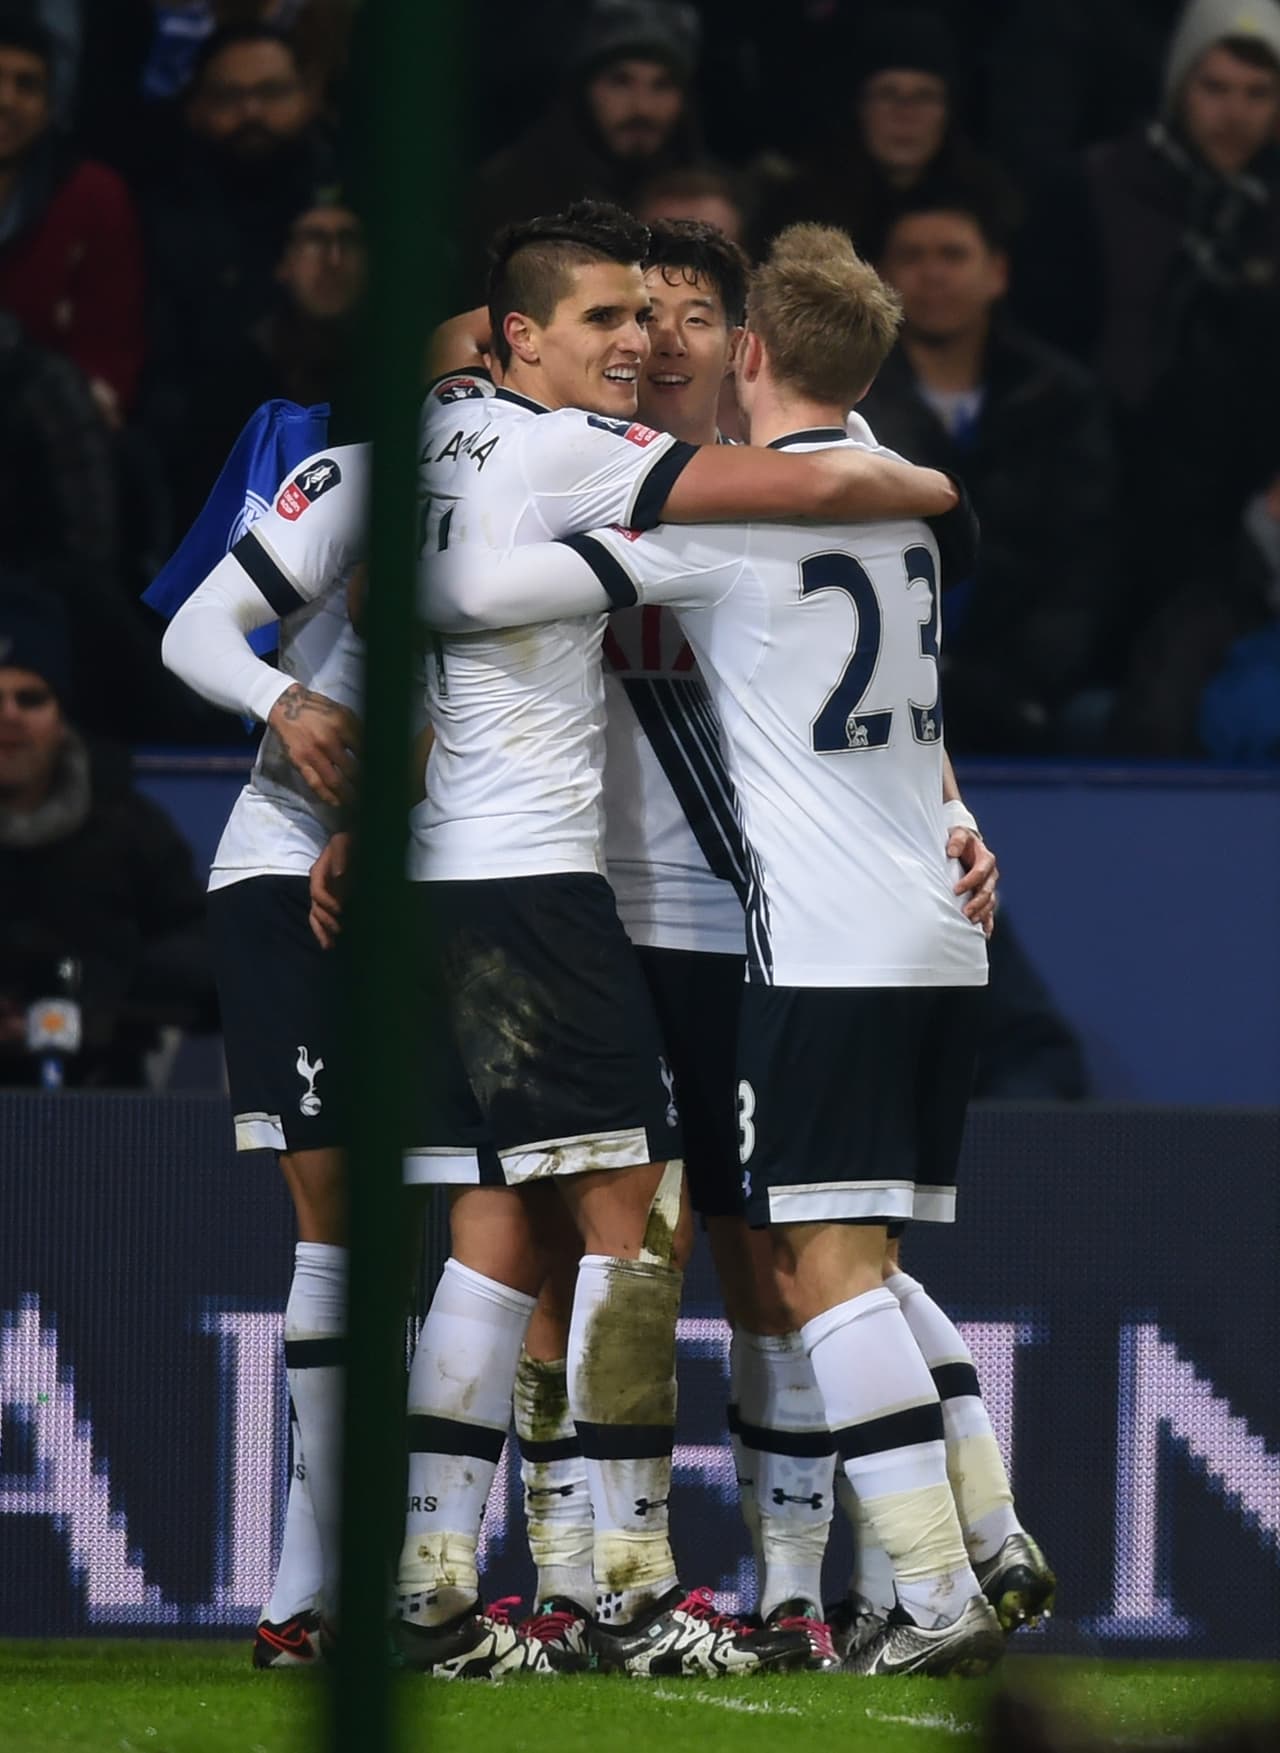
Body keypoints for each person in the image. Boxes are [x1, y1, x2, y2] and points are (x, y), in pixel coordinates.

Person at [423, 222, 1061, 1676]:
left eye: (696, 318)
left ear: (746, 348)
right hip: (885, 926)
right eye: (636, 315)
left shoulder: (705, 522)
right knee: (843, 1253)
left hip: (792, 930)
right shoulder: (879, 493)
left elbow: (468, 601)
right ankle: (962, 1531)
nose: (662, 341)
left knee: (811, 1263)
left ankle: (874, 1584)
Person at [161, 442, 367, 1665]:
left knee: (501, 1232)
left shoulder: (599, 481)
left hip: (482, 875)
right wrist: (283, 700)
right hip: (292, 861)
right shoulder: (353, 477)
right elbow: (195, 632)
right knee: (344, 1226)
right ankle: (312, 1590)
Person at [1013, 0, 1280, 752]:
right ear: (1178, 87)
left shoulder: (1271, 214)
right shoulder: (1093, 190)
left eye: (1259, 95)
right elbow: (1046, 349)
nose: (1235, 114)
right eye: (1216, 88)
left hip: (1242, 521)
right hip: (1103, 496)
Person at [862, 187, 1117, 754]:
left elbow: (1082, 565)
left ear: (997, 272)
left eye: (952, 255)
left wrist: (1023, 681)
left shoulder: (1061, 400)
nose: (932, 274)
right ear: (879, 278)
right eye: (912, 256)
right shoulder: (843, 402)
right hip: (872, 682)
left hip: (1025, 688)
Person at [0, 580, 215, 1089]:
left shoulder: (127, 824)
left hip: (104, 1113)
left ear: (61, 716)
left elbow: (209, 962)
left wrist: (91, 998)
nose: (8, 716)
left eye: (30, 698)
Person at [140, 22, 336, 526]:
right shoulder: (160, 212)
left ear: (310, 94)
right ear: (196, 106)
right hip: (202, 462)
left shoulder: (354, 198)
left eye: (271, 92)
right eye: (230, 96)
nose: (252, 113)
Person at [461, 1, 709, 293]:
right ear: (585, 91)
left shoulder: (716, 201)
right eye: (620, 82)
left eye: (662, 85)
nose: (642, 107)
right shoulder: (509, 195)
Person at [750, 6, 1017, 266]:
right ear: (859, 108)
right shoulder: (800, 216)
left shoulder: (990, 207)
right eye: (888, 94)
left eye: (925, 96)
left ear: (949, 111)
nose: (906, 114)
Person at [0, 7, 146, 424]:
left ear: (50, 106)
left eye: (26, 85)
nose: (5, 100)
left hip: (47, 436)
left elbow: (109, 358)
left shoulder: (93, 196)